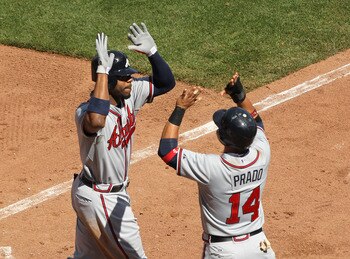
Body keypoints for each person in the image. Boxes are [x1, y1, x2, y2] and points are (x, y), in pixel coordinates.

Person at [71, 22, 175, 259]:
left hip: (104, 195)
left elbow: (165, 84)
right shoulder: (85, 112)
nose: (130, 81)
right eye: (123, 78)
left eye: (130, 76)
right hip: (101, 199)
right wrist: (102, 72)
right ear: (106, 80)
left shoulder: (130, 96)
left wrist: (153, 53)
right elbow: (97, 121)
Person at [158, 72, 276, 258]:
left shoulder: (212, 168)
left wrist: (180, 108)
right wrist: (240, 95)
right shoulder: (262, 153)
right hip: (260, 247)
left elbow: (167, 151)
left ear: (222, 137)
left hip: (225, 251)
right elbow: (257, 122)